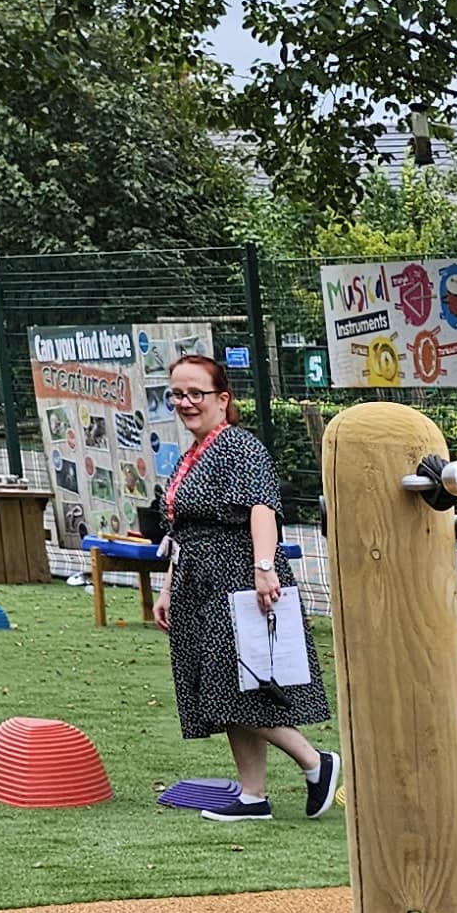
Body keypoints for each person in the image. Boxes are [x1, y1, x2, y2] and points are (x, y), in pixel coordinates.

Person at [152, 350, 335, 824]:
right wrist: (169, 588)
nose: (186, 402)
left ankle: (316, 762)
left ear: (222, 397)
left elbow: (261, 508)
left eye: (197, 393)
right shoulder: (192, 455)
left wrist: (263, 568)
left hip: (237, 577)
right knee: (231, 686)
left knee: (235, 686)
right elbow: (182, 531)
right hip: (198, 580)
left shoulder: (237, 445)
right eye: (178, 393)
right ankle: (253, 796)